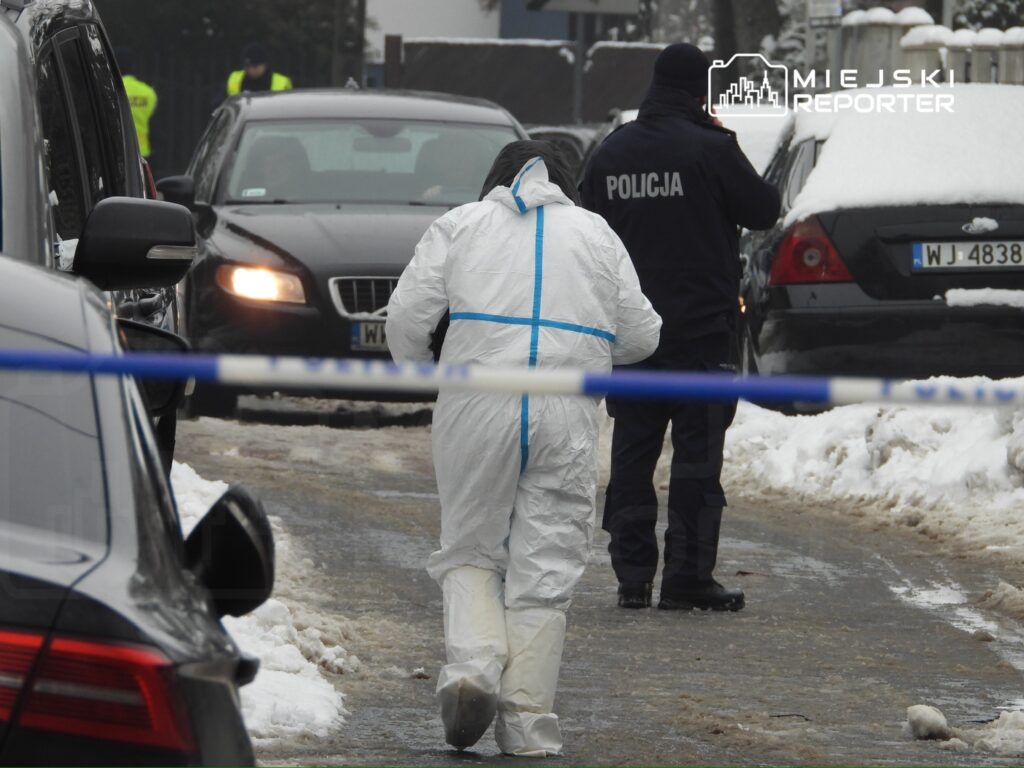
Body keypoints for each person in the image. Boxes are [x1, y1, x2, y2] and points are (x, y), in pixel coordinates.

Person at [387, 141, 661, 756]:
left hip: (476, 401)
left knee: (470, 546)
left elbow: (406, 318)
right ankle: (527, 723)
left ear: (494, 178)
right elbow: (643, 334)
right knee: (548, 562)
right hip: (566, 410)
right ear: (568, 184)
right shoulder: (597, 234)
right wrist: (586, 344)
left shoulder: (459, 225)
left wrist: (421, 368)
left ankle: (473, 671)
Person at [581, 43, 781, 612]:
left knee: (632, 453)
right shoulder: (711, 147)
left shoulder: (612, 151)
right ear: (701, 91)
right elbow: (764, 209)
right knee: (696, 459)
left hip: (631, 334)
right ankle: (687, 578)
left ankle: (632, 577)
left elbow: (586, 229)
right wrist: (722, 140)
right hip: (701, 332)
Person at [116, 47, 157, 160]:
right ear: (133, 66)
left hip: (118, 153)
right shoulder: (148, 92)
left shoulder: (111, 89)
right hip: (143, 154)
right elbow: (156, 126)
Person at [227, 43, 293, 96]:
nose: (251, 70)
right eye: (247, 66)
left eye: (255, 66)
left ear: (265, 65)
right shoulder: (234, 79)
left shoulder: (282, 82)